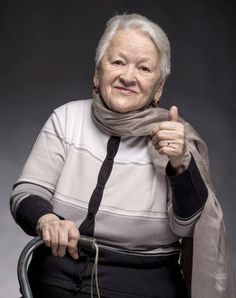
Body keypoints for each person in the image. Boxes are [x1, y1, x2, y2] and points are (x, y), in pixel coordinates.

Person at [10, 13, 235, 298]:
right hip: (52, 284)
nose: (128, 77)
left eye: (144, 69)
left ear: (159, 88)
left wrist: (180, 165)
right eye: (117, 62)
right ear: (96, 74)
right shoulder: (66, 119)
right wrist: (47, 220)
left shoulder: (174, 138)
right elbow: (26, 193)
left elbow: (189, 226)